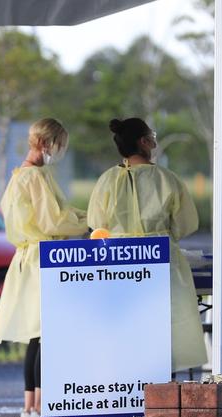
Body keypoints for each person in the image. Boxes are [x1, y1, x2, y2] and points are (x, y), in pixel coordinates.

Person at [0, 118, 88, 417]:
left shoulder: (18, 175)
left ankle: (29, 409)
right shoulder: (36, 177)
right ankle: (43, 408)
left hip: (26, 260)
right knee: (49, 334)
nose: (59, 152)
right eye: (59, 146)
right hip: (44, 259)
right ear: (46, 144)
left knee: (37, 335)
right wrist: (91, 221)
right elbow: (55, 220)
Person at [87, 118, 207, 372]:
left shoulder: (107, 180)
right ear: (143, 142)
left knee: (125, 327)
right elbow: (186, 222)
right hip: (161, 258)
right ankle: (161, 391)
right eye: (150, 135)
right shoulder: (167, 178)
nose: (154, 139)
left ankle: (128, 389)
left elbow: (96, 223)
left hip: (118, 262)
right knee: (163, 326)